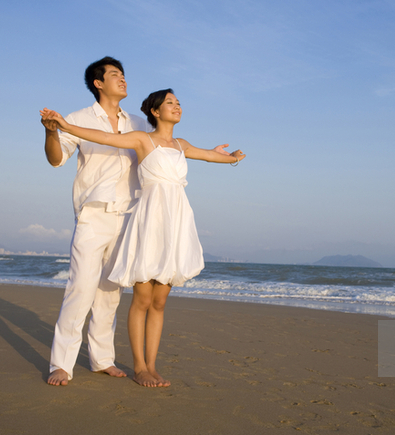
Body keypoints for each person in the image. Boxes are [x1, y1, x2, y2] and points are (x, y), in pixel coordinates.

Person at [40, 88, 245, 387]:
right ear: (155, 112)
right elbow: (104, 138)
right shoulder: (141, 139)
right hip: (148, 220)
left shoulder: (181, 144)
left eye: (178, 103)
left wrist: (231, 158)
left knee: (160, 301)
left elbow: (209, 156)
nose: (177, 106)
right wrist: (65, 126)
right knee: (142, 298)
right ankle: (139, 367)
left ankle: (152, 365)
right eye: (170, 103)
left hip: (175, 223)